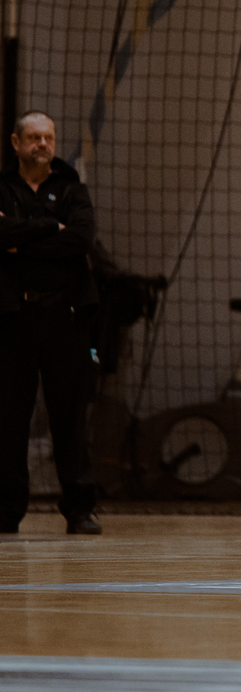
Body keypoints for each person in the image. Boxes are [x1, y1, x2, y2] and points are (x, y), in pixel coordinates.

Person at [0, 111, 101, 535]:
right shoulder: (2, 188)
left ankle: (79, 509)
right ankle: (6, 510)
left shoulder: (73, 189)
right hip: (13, 320)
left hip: (65, 318)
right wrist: (47, 227)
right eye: (34, 137)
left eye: (49, 137)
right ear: (16, 143)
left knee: (69, 417)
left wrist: (19, 242)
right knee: (9, 418)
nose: (42, 144)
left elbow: (81, 239)